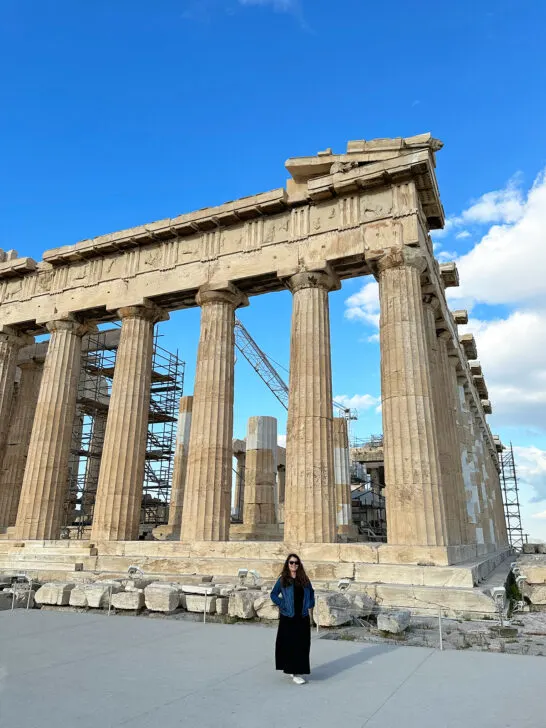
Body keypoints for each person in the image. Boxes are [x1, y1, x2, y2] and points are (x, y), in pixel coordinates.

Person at [270, 553, 315, 685]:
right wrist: (282, 603)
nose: (294, 565)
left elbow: (311, 593)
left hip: (302, 616)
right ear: (287, 564)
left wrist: (310, 604)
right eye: (291, 562)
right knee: (289, 644)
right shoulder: (283, 579)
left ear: (299, 564)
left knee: (302, 645)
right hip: (288, 617)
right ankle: (295, 672)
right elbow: (273, 594)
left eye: (296, 563)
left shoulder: (305, 579)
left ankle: (295, 669)